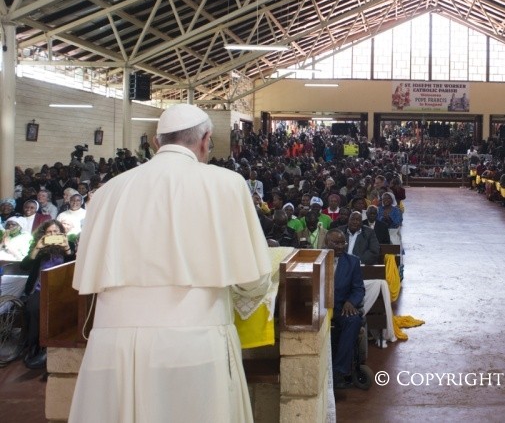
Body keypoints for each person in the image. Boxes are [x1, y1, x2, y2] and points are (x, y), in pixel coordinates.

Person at [70, 104, 278, 423]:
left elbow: (87, 273)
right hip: (193, 342)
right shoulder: (226, 183)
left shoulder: (107, 192)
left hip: (113, 346)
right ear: (206, 139)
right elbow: (254, 279)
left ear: (156, 143)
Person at [19, 220, 75, 369]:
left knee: (60, 314)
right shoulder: (39, 246)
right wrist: (37, 248)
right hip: (39, 289)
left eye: (56, 232)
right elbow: (24, 266)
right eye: (49, 232)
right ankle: (33, 347)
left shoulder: (69, 244)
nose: (52, 235)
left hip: (61, 291)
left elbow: (75, 265)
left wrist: (67, 249)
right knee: (33, 309)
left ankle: (51, 350)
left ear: (61, 233)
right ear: (44, 234)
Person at [325, 229, 365, 389]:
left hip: (342, 307)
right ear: (327, 243)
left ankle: (339, 372)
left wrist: (351, 302)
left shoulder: (352, 262)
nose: (341, 246)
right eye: (336, 243)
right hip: (320, 307)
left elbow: (359, 289)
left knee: (354, 320)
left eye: (343, 243)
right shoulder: (317, 260)